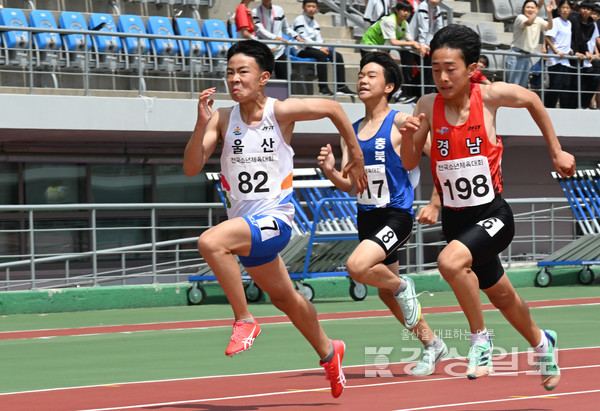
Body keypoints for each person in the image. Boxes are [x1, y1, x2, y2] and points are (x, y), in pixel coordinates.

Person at [183, 39, 367, 398]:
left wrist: (354, 152)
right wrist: (199, 124)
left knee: (211, 241)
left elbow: (332, 107)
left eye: (242, 73)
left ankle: (245, 320)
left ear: (264, 77)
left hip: (275, 221)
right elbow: (191, 167)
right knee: (287, 299)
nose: (234, 80)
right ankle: (330, 353)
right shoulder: (222, 118)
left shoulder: (279, 112)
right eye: (229, 73)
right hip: (247, 230)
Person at [400, 24, 575, 390]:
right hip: (456, 220)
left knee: (449, 262)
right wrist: (407, 137)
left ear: (471, 67)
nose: (443, 77)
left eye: (451, 68)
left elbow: (532, 100)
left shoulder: (490, 96)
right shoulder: (428, 106)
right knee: (503, 295)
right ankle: (543, 343)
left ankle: (480, 341)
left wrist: (556, 150)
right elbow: (409, 161)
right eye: (435, 69)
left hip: (493, 215)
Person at [317, 51, 449, 377]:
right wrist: (331, 171)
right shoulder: (350, 130)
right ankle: (433, 344)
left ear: (389, 86)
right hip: (367, 215)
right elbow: (350, 186)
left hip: (397, 215)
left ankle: (405, 286)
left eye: (371, 75)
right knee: (384, 293)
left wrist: (435, 202)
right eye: (361, 74)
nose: (362, 79)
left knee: (357, 267)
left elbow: (441, 159)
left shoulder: (403, 121)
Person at [360, 1, 427, 102]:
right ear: (396, 10)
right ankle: (387, 94)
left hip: (381, 48)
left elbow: (410, 40)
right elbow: (394, 42)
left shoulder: (404, 24)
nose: (406, 13)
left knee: (393, 67)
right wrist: (413, 44)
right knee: (375, 72)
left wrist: (420, 45)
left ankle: (397, 94)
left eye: (409, 11)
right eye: (404, 10)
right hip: (369, 46)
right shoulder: (390, 21)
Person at [293, 0, 356, 96]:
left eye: (313, 7)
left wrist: (323, 46)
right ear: (303, 7)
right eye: (308, 6)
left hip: (314, 48)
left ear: (317, 9)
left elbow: (319, 39)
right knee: (321, 55)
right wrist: (320, 48)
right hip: (301, 49)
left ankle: (341, 87)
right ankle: (323, 88)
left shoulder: (315, 23)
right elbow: (304, 39)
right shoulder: (299, 20)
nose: (311, 9)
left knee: (337, 55)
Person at [505, 0, 554, 88]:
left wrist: (549, 13)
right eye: (528, 7)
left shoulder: (538, 20)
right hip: (516, 55)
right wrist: (538, 7)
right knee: (513, 85)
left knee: (522, 86)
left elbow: (549, 27)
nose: (530, 10)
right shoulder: (520, 17)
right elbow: (528, 23)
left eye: (533, 7)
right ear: (523, 9)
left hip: (527, 56)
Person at [252, 0, 305, 80]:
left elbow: (285, 28)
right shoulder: (255, 12)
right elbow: (260, 30)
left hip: (279, 51)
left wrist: (296, 36)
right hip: (264, 51)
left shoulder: (279, 10)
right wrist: (276, 38)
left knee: (284, 80)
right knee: (263, 80)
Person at [409, 0, 446, 96]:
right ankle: (425, 93)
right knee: (427, 67)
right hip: (414, 43)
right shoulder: (423, 6)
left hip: (426, 45)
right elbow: (423, 28)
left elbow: (439, 29)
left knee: (430, 67)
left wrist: (439, 43)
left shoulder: (437, 9)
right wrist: (422, 45)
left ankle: (426, 92)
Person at [567, 1, 600, 108]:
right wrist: (577, 51)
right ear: (579, 9)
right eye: (583, 8)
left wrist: (592, 52)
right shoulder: (573, 19)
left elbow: (589, 40)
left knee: (592, 81)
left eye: (588, 9)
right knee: (573, 85)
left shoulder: (592, 25)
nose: (585, 11)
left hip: (586, 59)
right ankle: (573, 106)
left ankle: (584, 106)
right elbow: (572, 38)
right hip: (573, 57)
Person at [544, 0, 576, 108]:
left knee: (564, 87)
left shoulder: (569, 24)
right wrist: (556, 51)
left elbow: (565, 41)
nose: (565, 10)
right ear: (559, 9)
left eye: (567, 8)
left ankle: (561, 108)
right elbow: (548, 38)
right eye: (563, 8)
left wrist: (570, 50)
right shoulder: (556, 21)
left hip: (565, 60)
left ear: (570, 10)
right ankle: (549, 107)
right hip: (555, 60)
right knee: (555, 86)